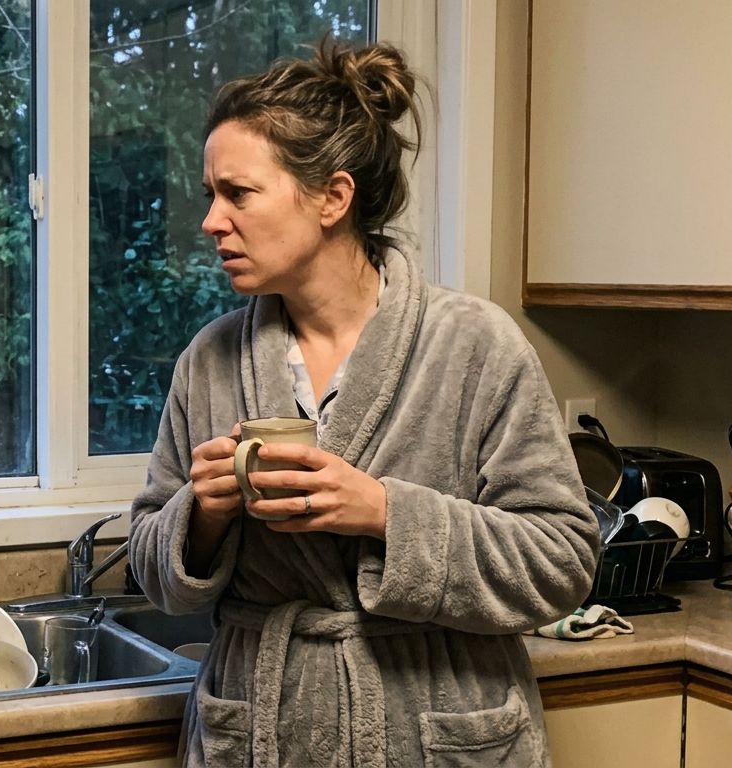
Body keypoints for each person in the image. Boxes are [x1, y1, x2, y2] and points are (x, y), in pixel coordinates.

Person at [127, 37, 600, 767]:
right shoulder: (210, 361)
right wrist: (204, 515)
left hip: (431, 724)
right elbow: (153, 570)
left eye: (238, 193)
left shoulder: (475, 346)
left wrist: (385, 513)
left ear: (333, 197)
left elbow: (561, 561)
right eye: (209, 196)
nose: (211, 221)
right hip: (262, 725)